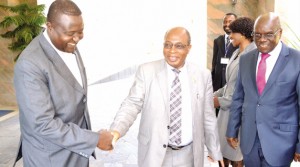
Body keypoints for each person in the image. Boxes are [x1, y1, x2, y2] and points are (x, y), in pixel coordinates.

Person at [13, 0, 113, 166]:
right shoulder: (29, 64)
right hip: (50, 158)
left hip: (76, 152)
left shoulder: (67, 43)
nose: (77, 38)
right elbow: (43, 124)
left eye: (80, 32)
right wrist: (95, 139)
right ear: (50, 26)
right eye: (71, 33)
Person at [109, 27, 223, 167]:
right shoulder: (147, 71)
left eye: (179, 46)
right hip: (154, 153)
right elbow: (131, 104)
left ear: (189, 48)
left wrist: (215, 150)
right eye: (167, 45)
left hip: (189, 154)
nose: (172, 51)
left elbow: (208, 116)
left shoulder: (202, 75)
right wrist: (116, 130)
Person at [226, 12, 300, 167]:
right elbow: (238, 97)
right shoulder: (246, 59)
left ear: (280, 33)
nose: (262, 40)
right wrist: (232, 129)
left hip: (281, 142)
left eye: (268, 34)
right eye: (257, 34)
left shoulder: (296, 60)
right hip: (249, 140)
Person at [213, 17, 256, 167]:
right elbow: (229, 84)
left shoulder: (253, 55)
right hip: (225, 114)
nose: (230, 36)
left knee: (237, 156)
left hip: (238, 115)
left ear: (243, 34)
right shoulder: (236, 51)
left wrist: (215, 101)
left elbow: (243, 92)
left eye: (233, 33)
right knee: (222, 156)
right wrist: (212, 95)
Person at [211, 13, 238, 92]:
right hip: (217, 84)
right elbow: (214, 64)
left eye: (230, 21)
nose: (227, 24)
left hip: (232, 84)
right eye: (225, 22)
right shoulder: (217, 40)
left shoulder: (239, 42)